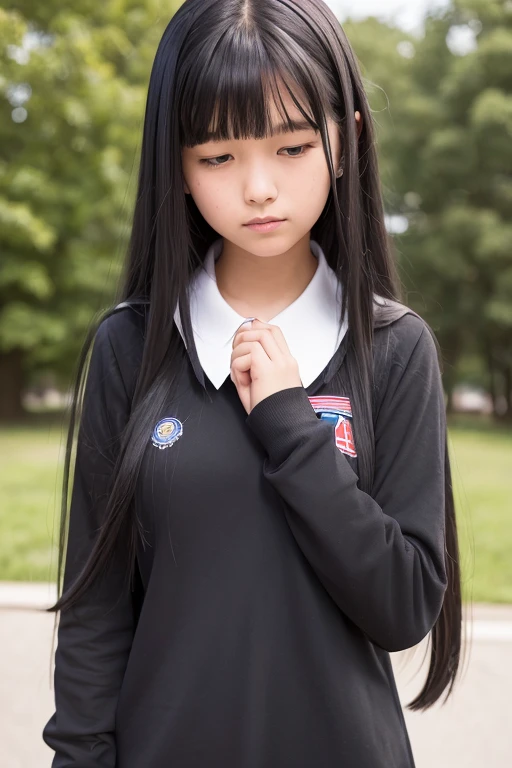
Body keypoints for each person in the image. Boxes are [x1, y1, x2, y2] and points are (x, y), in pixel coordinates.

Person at [43, 1, 464, 766]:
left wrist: (287, 422)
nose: (260, 187)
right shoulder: (130, 345)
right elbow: (97, 615)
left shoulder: (396, 349)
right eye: (217, 157)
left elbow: (404, 607)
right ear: (174, 163)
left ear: (347, 141)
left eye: (292, 146)